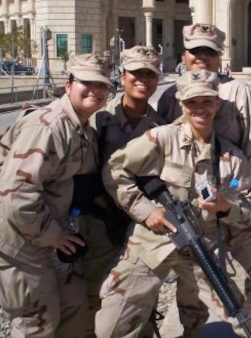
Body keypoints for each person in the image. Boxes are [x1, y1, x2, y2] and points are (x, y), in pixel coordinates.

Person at [96, 70, 251, 338]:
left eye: (207, 102)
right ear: (182, 105)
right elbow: (114, 171)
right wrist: (146, 211)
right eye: (192, 103)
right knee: (111, 327)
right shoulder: (161, 139)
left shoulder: (231, 158)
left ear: (218, 104)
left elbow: (246, 202)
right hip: (152, 242)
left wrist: (225, 206)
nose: (200, 109)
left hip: (202, 244)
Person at [0, 53, 112, 338]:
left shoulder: (82, 127)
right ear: (68, 85)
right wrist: (56, 236)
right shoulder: (49, 126)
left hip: (46, 237)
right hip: (16, 241)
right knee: (37, 325)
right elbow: (18, 194)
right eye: (86, 83)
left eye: (102, 85)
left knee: (74, 309)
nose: (95, 91)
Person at [157, 23, 251, 337]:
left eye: (209, 52)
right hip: (191, 211)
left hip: (234, 203)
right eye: (196, 51)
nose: (202, 58)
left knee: (243, 284)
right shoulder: (172, 94)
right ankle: (192, 331)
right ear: (185, 54)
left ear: (219, 56)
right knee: (191, 285)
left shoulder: (236, 91)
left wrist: (250, 207)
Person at [87, 46, 165, 333]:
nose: (143, 80)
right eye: (136, 73)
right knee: (96, 303)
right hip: (98, 227)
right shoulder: (99, 119)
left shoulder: (161, 126)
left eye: (150, 74)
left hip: (140, 229)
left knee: (139, 306)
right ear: (122, 76)